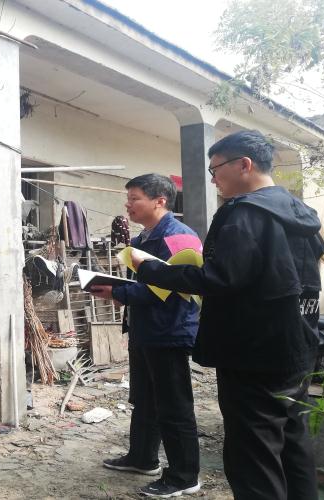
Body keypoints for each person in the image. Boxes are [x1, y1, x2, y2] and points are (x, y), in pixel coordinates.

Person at [130, 130, 324, 500]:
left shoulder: (244, 214)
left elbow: (218, 278)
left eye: (215, 170)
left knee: (254, 457)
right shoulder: (299, 213)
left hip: (252, 352)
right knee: (292, 444)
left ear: (244, 165)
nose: (213, 179)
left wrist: (150, 268)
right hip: (298, 344)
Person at [92, 174, 201, 498]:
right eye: (128, 199)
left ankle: (184, 476)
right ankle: (142, 458)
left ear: (160, 201)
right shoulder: (141, 239)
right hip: (144, 330)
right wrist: (117, 290)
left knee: (174, 405)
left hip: (170, 332)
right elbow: (143, 285)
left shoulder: (180, 237)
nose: (128, 205)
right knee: (144, 399)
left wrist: (119, 293)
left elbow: (179, 287)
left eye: (135, 198)